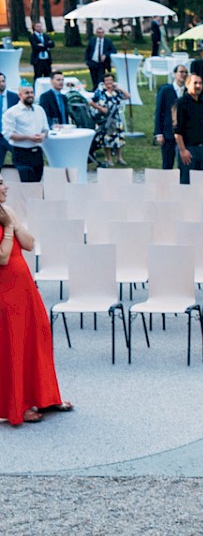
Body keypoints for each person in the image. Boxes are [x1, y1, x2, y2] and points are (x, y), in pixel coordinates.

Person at [0, 173, 73, 424]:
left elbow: (29, 244)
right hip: (5, 291)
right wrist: (9, 227)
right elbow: (2, 257)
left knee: (38, 335)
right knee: (14, 344)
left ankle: (46, 396)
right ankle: (18, 405)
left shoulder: (7, 210)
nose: (6, 186)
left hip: (24, 286)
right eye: (0, 183)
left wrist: (13, 221)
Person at [2, 84, 49, 182]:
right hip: (21, 153)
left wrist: (43, 135)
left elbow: (46, 129)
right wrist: (29, 137)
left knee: (37, 183)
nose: (30, 95)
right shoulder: (11, 112)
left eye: (32, 93)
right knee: (25, 185)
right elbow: (8, 134)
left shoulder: (39, 110)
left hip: (37, 153)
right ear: (19, 95)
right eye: (27, 93)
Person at [174, 73, 203, 183]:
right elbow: (177, 130)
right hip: (188, 149)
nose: (198, 86)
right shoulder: (180, 103)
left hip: (202, 149)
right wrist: (182, 150)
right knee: (186, 182)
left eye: (200, 83)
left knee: (201, 182)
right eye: (195, 83)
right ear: (187, 84)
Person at [154, 62, 188, 170]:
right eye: (181, 72)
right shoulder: (166, 90)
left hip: (184, 134)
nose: (183, 74)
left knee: (184, 164)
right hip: (168, 132)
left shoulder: (188, 91)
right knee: (167, 163)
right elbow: (159, 111)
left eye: (185, 72)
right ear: (174, 74)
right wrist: (159, 133)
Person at [90, 72, 127, 166]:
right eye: (107, 80)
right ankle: (108, 158)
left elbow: (127, 96)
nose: (109, 82)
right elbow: (91, 102)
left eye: (111, 80)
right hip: (105, 119)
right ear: (103, 82)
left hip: (116, 118)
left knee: (118, 138)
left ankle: (119, 158)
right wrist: (100, 108)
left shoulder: (116, 92)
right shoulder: (100, 92)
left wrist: (119, 88)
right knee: (107, 139)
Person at [85, 25, 115, 90]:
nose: (100, 34)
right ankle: (94, 90)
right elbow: (88, 50)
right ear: (96, 33)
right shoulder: (92, 40)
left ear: (103, 33)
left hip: (102, 63)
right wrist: (87, 61)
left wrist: (105, 55)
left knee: (100, 78)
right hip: (93, 62)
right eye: (98, 33)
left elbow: (113, 50)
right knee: (93, 77)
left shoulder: (107, 41)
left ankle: (99, 90)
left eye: (101, 33)